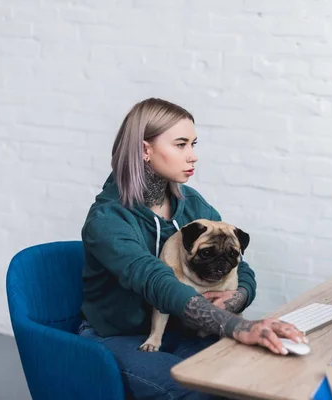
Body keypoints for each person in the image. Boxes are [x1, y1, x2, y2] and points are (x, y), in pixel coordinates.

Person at [78, 98, 306, 400]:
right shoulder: (108, 220)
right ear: (145, 149)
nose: (193, 156)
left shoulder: (192, 203)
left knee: (254, 375)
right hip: (119, 336)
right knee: (193, 391)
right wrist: (237, 327)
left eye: (193, 144)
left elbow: (240, 264)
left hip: (182, 330)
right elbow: (155, 281)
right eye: (181, 145)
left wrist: (236, 298)